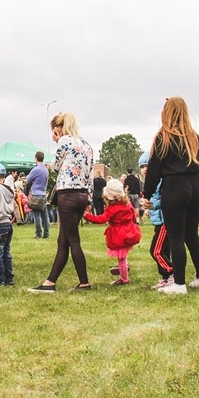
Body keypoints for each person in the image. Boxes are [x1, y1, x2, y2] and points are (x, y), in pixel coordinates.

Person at [142, 98, 199, 293]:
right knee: (192, 235)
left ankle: (179, 283)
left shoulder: (164, 137)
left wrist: (147, 194)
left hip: (175, 187)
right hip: (195, 186)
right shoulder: (194, 137)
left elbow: (154, 169)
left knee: (176, 236)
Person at [28, 112, 95, 293]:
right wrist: (89, 197)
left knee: (72, 240)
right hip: (82, 195)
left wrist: (58, 142)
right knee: (63, 240)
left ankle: (84, 283)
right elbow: (90, 174)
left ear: (58, 127)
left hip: (67, 195)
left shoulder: (64, 141)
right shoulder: (87, 145)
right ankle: (50, 282)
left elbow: (56, 166)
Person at [84, 178, 141, 286]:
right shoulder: (127, 205)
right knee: (123, 254)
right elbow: (134, 216)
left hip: (119, 235)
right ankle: (124, 267)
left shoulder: (112, 208)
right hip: (129, 232)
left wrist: (87, 216)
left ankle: (124, 279)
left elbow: (101, 219)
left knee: (121, 258)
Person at [140, 152, 173, 290]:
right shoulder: (149, 183)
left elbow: (162, 199)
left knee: (156, 251)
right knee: (164, 250)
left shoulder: (159, 181)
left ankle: (172, 273)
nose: (145, 168)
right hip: (158, 219)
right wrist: (149, 210)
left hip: (164, 221)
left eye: (148, 165)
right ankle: (165, 278)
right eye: (142, 166)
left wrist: (152, 206)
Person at [25, 151, 49, 239]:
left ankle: (38, 234)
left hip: (35, 194)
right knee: (45, 215)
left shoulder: (35, 169)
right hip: (43, 193)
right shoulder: (46, 169)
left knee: (37, 215)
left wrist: (27, 191)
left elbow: (28, 181)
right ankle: (46, 234)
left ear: (36, 158)